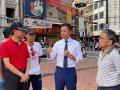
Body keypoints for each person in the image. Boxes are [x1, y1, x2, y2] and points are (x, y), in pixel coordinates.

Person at [47, 23, 83, 90]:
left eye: (64, 31)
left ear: (70, 32)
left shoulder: (76, 44)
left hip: (71, 71)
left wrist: (70, 56)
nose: (62, 33)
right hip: (59, 71)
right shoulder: (57, 44)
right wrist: (48, 53)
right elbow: (51, 58)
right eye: (61, 31)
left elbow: (80, 59)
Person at [0, 22, 30, 90]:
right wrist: (22, 75)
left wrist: (26, 74)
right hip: (11, 76)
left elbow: (28, 59)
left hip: (24, 75)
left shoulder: (24, 44)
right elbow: (7, 64)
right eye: (22, 30)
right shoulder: (5, 45)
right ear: (15, 31)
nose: (24, 32)